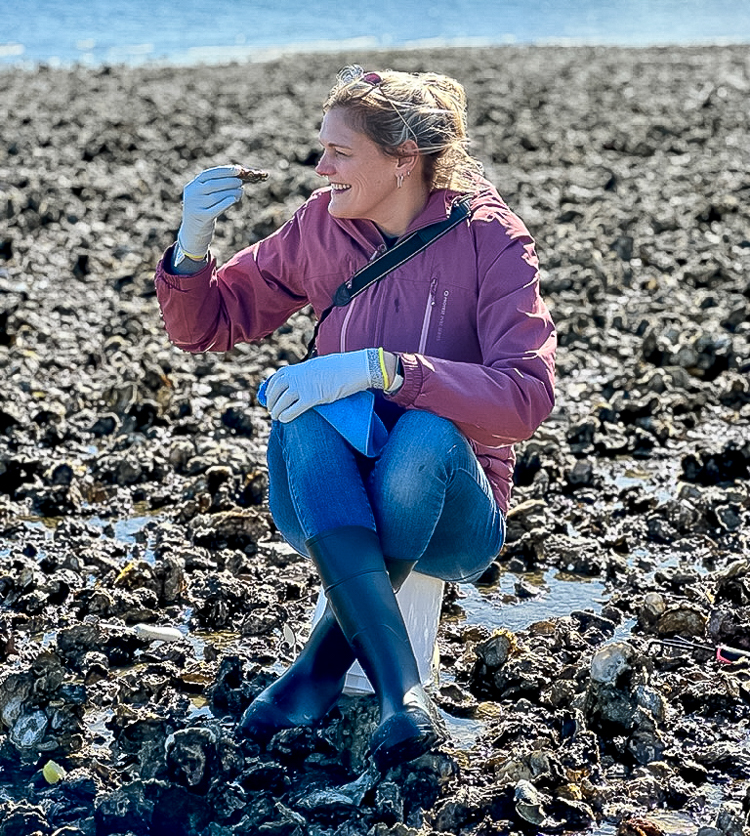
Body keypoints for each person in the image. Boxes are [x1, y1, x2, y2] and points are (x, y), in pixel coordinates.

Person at [154, 64, 556, 772]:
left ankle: (318, 669)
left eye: (340, 152)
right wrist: (191, 242)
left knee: (428, 433)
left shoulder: (492, 240)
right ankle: (404, 699)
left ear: (405, 161)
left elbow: (527, 397)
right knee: (302, 410)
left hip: (451, 517)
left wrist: (388, 370)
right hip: (328, 497)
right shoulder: (321, 225)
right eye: (321, 147)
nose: (320, 167)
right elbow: (208, 326)